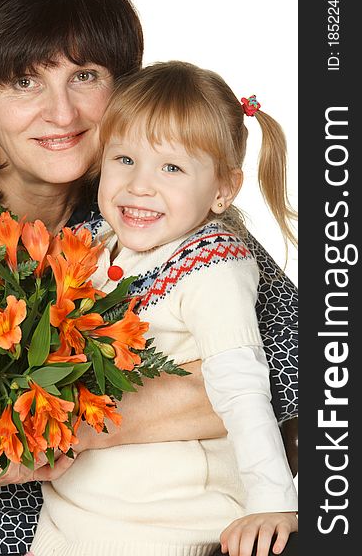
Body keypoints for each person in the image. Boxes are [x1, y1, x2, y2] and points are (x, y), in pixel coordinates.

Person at [0, 0, 297, 555]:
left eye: (85, 75)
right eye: (25, 81)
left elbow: (309, 374)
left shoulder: (155, 214)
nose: (61, 113)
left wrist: (55, 427)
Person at [30, 61, 298, 556]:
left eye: (171, 167)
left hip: (163, 523)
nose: (139, 185)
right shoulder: (95, 243)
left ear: (223, 189)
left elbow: (242, 388)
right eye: (124, 159)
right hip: (70, 516)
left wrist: (272, 501)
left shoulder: (212, 268)